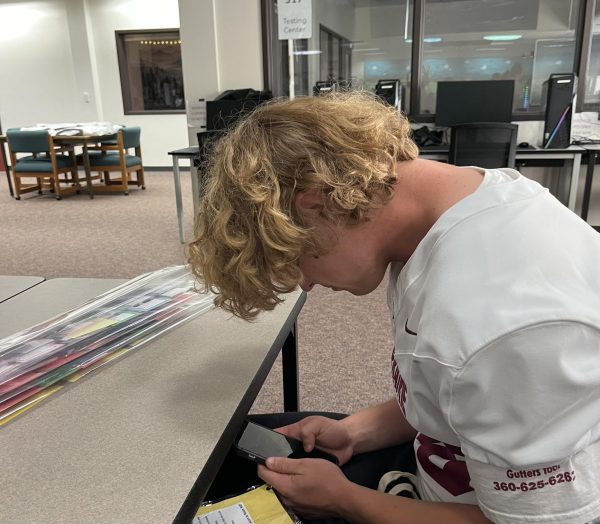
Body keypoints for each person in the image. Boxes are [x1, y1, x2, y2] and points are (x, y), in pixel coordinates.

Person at [187, 91, 600, 524]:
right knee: (223, 446)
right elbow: (454, 395)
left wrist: (344, 501)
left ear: (313, 205)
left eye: (293, 256)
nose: (306, 282)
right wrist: (353, 433)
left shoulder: (501, 327)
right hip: (441, 467)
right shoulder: (461, 206)